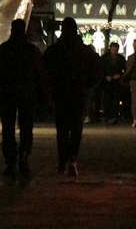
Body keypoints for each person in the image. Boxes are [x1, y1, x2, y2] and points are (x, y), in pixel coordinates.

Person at [0, 19, 49, 176]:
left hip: (7, 93)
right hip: (26, 94)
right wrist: (44, 97)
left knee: (8, 127)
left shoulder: (3, 50)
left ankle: (10, 159)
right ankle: (23, 154)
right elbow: (41, 75)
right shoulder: (31, 51)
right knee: (26, 126)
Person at [43, 16, 103, 176]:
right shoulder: (84, 51)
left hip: (60, 94)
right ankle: (73, 159)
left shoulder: (54, 51)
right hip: (78, 94)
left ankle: (62, 161)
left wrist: (51, 91)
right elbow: (96, 72)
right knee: (76, 129)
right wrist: (86, 86)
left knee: (62, 129)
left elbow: (45, 72)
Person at [100, 40, 126, 124]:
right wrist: (105, 76)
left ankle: (114, 116)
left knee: (116, 99)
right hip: (107, 82)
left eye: (115, 50)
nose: (114, 52)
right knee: (107, 99)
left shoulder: (121, 59)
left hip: (116, 82)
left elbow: (125, 70)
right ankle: (107, 115)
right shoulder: (104, 58)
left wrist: (119, 75)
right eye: (113, 50)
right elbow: (101, 70)